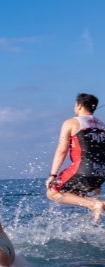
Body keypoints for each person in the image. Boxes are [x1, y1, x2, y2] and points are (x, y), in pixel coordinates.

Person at [46, 93, 105, 222]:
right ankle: (96, 206)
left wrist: (53, 175)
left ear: (78, 105)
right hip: (101, 171)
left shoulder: (71, 122)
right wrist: (99, 181)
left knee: (52, 192)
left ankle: (94, 204)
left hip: (82, 169)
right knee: (77, 195)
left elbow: (62, 150)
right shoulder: (102, 125)